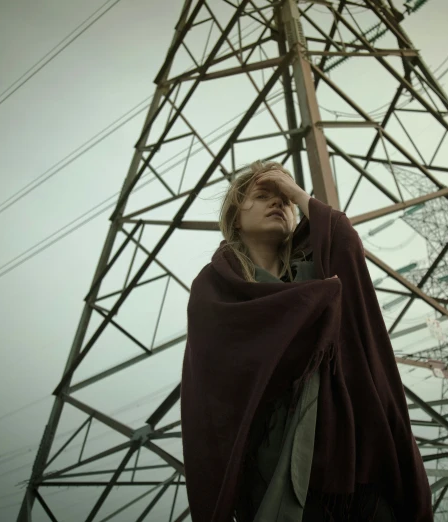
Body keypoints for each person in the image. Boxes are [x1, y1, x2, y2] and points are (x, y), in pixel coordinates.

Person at [181, 160, 433, 522]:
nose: (278, 203)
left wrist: (300, 195)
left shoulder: (320, 269)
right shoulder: (215, 289)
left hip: (355, 468)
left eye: (284, 199)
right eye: (263, 196)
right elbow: (215, 392)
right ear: (236, 218)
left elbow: (344, 240)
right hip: (272, 472)